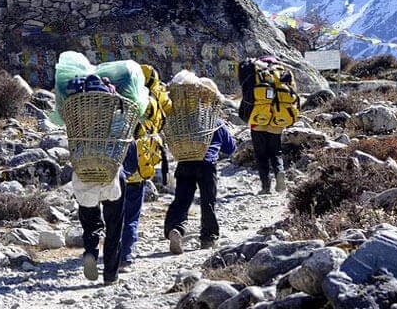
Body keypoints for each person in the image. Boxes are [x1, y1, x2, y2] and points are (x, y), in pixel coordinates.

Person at [119, 64, 171, 272]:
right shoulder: (152, 102)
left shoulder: (118, 99)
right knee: (131, 215)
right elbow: (165, 114)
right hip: (139, 169)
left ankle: (110, 252)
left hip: (113, 168)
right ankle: (126, 256)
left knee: (114, 213)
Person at [163, 119, 236, 253]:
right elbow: (230, 148)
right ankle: (208, 239)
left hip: (185, 162)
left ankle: (176, 228)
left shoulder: (183, 121)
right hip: (207, 164)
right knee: (208, 201)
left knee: (181, 200)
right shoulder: (216, 122)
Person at [77, 142, 138, 285]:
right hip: (114, 179)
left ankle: (91, 252)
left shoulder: (79, 125)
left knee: (90, 223)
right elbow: (132, 164)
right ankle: (110, 276)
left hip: (85, 176)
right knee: (114, 228)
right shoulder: (122, 124)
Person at [239, 56, 299, 195]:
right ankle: (280, 173)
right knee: (276, 151)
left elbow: (247, 92)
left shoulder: (258, 73)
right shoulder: (283, 72)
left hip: (258, 120)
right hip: (277, 120)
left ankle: (266, 187)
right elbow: (294, 95)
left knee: (261, 155)